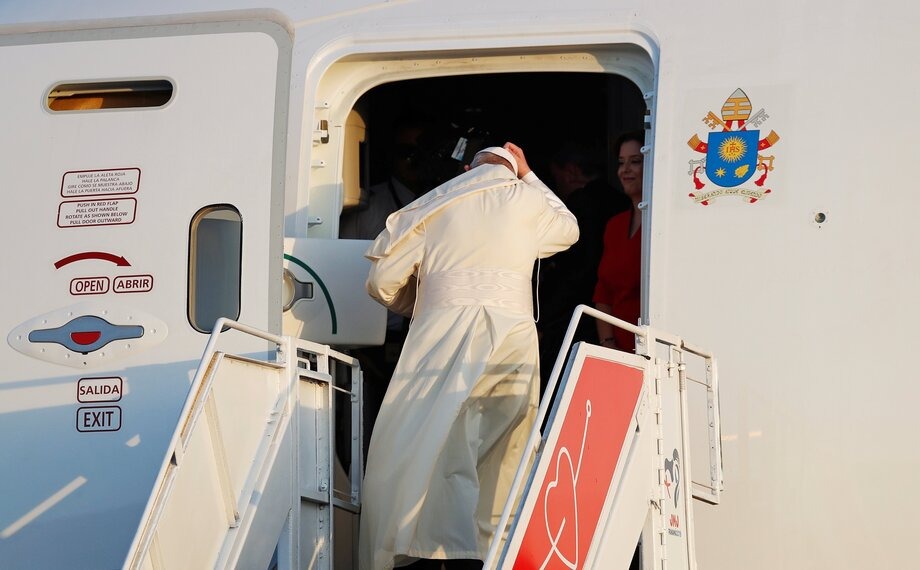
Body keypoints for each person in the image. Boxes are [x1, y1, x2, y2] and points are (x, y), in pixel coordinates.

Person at [359, 143, 579, 570]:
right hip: (514, 339)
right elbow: (568, 230)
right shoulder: (529, 198)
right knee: (502, 447)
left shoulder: (438, 203)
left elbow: (381, 279)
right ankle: (488, 553)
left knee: (428, 447)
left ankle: (428, 553)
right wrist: (531, 175)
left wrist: (422, 304)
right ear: (512, 171)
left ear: (468, 168)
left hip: (443, 336)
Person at [537, 143, 630, 391]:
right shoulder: (622, 204)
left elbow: (575, 268)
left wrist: (544, 317)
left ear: (571, 172)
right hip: (614, 318)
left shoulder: (580, 205)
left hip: (575, 316)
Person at [595, 130, 645, 352]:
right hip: (617, 350)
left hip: (654, 349)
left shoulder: (659, 228)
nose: (625, 170)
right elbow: (603, 293)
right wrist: (608, 345)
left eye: (635, 162)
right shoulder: (614, 225)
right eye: (621, 162)